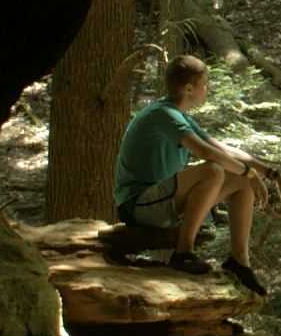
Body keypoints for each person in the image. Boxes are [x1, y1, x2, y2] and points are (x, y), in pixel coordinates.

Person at [109, 56, 271, 290]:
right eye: (205, 83)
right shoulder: (162, 115)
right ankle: (183, 253)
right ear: (188, 88)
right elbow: (207, 153)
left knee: (240, 181)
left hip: (163, 203)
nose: (208, 89)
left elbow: (222, 148)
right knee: (213, 171)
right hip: (138, 206)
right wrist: (252, 174)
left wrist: (269, 173)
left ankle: (239, 262)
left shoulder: (180, 115)